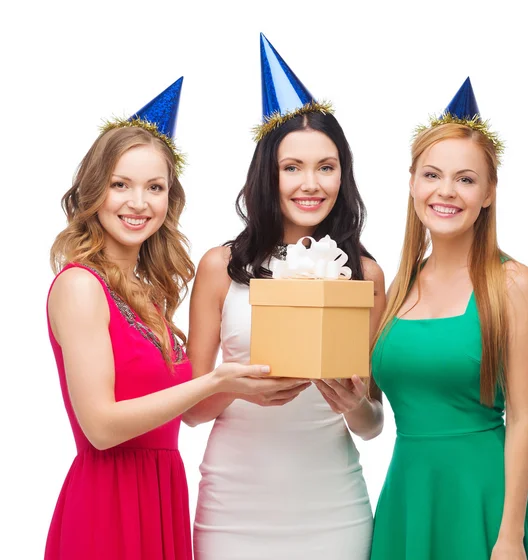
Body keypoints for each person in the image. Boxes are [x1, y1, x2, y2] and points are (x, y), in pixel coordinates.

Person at [45, 77, 274, 560]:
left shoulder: (149, 296)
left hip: (161, 495)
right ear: (93, 193)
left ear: (170, 199)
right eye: (120, 185)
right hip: (107, 508)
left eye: (155, 187)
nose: (138, 202)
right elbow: (101, 427)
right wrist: (213, 382)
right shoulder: (80, 286)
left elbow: (184, 414)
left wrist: (243, 380)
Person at [184, 34, 386, 560]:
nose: (310, 183)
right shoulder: (219, 268)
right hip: (233, 508)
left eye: (327, 166)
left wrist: (352, 403)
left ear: (344, 173)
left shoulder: (364, 274)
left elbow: (373, 424)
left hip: (333, 509)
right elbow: (191, 411)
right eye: (291, 167)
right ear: (266, 175)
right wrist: (241, 383)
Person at [369, 77, 528, 560]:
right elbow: (369, 411)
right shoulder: (398, 286)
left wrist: (509, 537)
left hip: (486, 504)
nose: (445, 191)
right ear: (411, 182)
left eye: (466, 179)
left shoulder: (513, 283)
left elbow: (523, 420)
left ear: (489, 192)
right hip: (408, 498)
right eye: (432, 175)